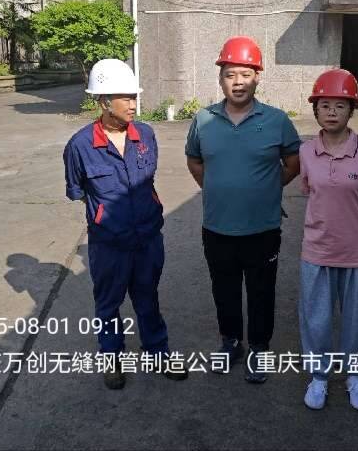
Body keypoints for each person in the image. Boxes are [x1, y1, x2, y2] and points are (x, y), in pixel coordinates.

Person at [63, 58, 187, 389]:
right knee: (108, 304)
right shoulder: (80, 146)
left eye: (134, 96)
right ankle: (113, 358)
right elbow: (78, 192)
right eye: (126, 98)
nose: (134, 104)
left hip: (148, 238)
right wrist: (107, 216)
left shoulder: (145, 134)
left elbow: (149, 181)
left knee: (148, 298)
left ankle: (157, 352)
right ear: (104, 102)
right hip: (109, 245)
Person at [185, 35, 301, 384]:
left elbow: (293, 162)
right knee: (224, 290)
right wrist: (217, 188)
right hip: (217, 227)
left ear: (257, 78)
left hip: (262, 229)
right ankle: (231, 342)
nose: (238, 82)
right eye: (230, 74)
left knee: (262, 291)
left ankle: (260, 349)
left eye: (246, 74)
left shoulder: (277, 120)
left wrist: (266, 189)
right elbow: (194, 161)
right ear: (220, 79)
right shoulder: (203, 120)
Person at [298, 69, 358, 411]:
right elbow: (311, 192)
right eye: (325, 105)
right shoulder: (306, 152)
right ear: (316, 110)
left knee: (357, 321)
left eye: (340, 105)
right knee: (316, 319)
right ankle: (318, 377)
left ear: (352, 110)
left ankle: (355, 377)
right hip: (317, 250)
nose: (332, 112)